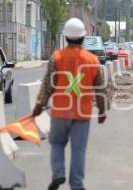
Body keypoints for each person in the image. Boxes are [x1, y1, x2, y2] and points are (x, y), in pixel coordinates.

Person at [32, 18, 109, 190]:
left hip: (59, 112)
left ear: (65, 37)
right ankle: (77, 184)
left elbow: (47, 86)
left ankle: (58, 174)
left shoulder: (56, 58)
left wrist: (39, 106)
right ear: (83, 38)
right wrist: (103, 111)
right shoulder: (92, 60)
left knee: (57, 144)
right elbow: (100, 89)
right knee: (78, 150)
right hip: (82, 114)